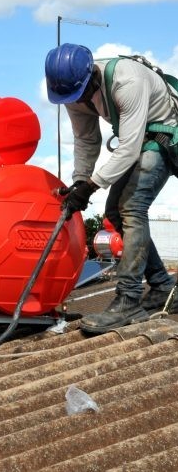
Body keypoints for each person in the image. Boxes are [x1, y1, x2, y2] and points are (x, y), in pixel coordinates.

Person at [45, 43, 177, 334]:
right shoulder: (71, 92)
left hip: (165, 135)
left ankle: (129, 300)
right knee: (114, 213)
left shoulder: (127, 82)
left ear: (91, 74)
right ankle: (164, 286)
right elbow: (86, 140)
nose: (76, 100)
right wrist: (80, 180)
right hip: (139, 141)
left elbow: (129, 148)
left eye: (80, 93)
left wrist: (91, 186)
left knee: (132, 207)